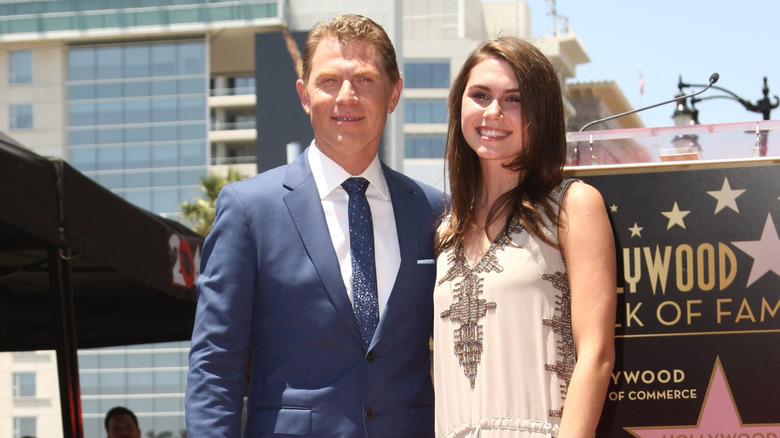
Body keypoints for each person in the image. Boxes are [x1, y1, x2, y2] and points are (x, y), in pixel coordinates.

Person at [185, 14, 445, 438]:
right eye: (329, 81)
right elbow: (216, 363)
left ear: (393, 93)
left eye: (364, 80)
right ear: (304, 95)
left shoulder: (434, 212)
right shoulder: (249, 210)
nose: (347, 96)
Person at [432, 36, 616, 438]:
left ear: (542, 113)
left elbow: (596, 356)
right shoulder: (446, 231)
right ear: (459, 106)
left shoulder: (573, 207)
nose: (493, 111)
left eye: (513, 99)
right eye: (480, 95)